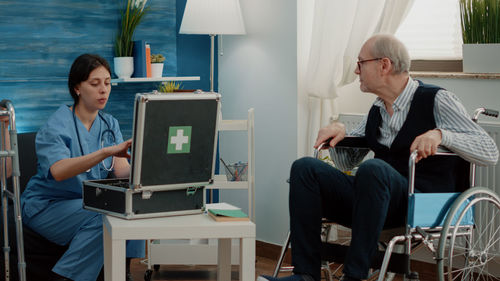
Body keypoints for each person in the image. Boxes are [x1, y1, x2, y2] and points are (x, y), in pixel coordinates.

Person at [258, 34, 499, 281]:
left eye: (360, 63)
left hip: (417, 201)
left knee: (374, 169)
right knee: (305, 168)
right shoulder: (377, 108)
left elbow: (490, 151)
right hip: (375, 199)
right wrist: (340, 131)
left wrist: (441, 135)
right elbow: (348, 163)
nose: (356, 70)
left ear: (384, 65)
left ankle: (354, 276)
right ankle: (306, 274)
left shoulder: (437, 99)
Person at [20, 54, 144, 281]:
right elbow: (58, 171)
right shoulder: (57, 124)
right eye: (95, 84)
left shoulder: (109, 123)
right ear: (77, 88)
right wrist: (105, 152)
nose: (103, 90)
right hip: (47, 205)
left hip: (85, 203)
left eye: (107, 83)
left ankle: (122, 271)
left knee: (129, 205)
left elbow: (121, 171)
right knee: (104, 216)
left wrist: (144, 164)